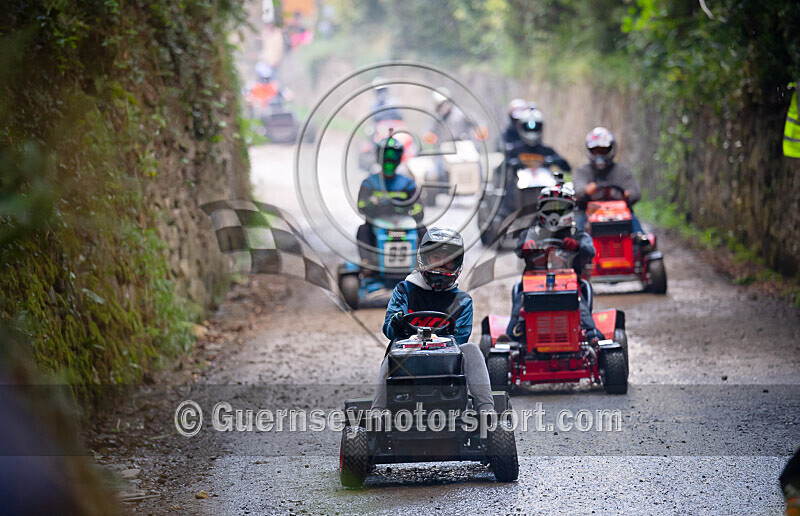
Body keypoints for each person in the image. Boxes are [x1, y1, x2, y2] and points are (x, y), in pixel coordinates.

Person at [371, 228, 495, 412]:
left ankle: (486, 409)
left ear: (457, 264)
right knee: (392, 351)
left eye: (448, 260)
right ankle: (378, 412)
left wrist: (437, 341)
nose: (441, 265)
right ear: (425, 258)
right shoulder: (405, 290)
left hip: (446, 362)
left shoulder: (462, 301)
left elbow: (460, 339)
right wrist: (396, 324)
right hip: (408, 357)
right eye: (436, 257)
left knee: (471, 349)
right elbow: (388, 330)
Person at [505, 184, 605, 344]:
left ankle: (591, 333)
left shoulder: (577, 234)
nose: (555, 213)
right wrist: (528, 247)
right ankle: (511, 335)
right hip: (534, 284)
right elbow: (518, 249)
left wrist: (577, 246)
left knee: (579, 300)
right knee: (520, 298)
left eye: (560, 208)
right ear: (541, 209)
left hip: (569, 284)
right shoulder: (532, 233)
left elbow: (590, 250)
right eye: (550, 207)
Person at [356, 137, 424, 264]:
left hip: (403, 223)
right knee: (363, 230)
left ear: (399, 158)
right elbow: (361, 206)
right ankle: (368, 263)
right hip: (378, 224)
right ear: (378, 157)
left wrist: (404, 207)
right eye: (386, 156)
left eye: (393, 156)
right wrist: (375, 205)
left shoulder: (408, 183)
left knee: (423, 230)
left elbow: (419, 209)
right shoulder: (369, 183)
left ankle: (423, 263)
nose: (389, 160)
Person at [496, 106, 571, 220]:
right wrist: (512, 164)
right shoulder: (514, 150)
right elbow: (500, 168)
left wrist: (554, 161)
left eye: (535, 127)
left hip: (546, 197)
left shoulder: (546, 151)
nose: (532, 131)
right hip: (517, 200)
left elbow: (566, 166)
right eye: (528, 127)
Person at [573, 127, 643, 234]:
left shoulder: (623, 171)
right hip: (588, 212)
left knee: (636, 228)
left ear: (610, 149)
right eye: (596, 151)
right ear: (590, 151)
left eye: (603, 150)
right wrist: (586, 190)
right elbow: (578, 189)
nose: (599, 154)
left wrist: (628, 194)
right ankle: (578, 247)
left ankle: (643, 245)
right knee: (576, 233)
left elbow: (636, 192)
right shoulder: (582, 171)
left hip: (619, 213)